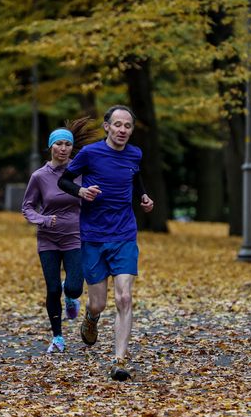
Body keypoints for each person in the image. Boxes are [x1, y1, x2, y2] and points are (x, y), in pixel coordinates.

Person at [58, 105, 154, 381]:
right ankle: (91, 316)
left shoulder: (135, 153)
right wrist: (81, 190)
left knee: (124, 297)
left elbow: (135, 178)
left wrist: (143, 198)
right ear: (107, 127)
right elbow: (65, 180)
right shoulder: (90, 154)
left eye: (128, 126)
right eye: (118, 125)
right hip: (93, 236)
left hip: (124, 234)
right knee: (98, 303)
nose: (123, 130)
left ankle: (119, 360)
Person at [22, 118, 95, 354]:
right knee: (52, 289)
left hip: (75, 235)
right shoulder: (39, 176)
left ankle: (71, 296)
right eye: (58, 144)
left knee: (73, 288)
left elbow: (93, 197)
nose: (63, 149)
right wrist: (42, 220)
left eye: (67, 144)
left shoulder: (80, 172)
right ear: (51, 147)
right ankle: (58, 337)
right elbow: (28, 207)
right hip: (48, 238)